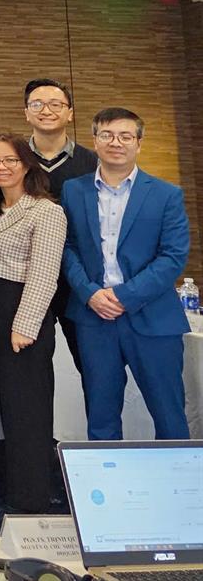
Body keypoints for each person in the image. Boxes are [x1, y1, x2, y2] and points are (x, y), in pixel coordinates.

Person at [61, 108, 191, 440]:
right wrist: (90, 293)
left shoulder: (166, 194)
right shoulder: (73, 191)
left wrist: (123, 296)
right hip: (94, 318)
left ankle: (176, 474)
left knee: (169, 415)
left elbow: (173, 256)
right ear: (95, 141)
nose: (115, 143)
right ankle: (107, 475)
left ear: (138, 143)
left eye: (125, 136)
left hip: (153, 318)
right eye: (107, 135)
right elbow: (67, 247)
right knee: (101, 417)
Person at [0, 134, 67, 512]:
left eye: (10, 160)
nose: (1, 167)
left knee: (27, 405)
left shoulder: (46, 211)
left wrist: (25, 325)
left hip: (22, 311)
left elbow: (45, 275)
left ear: (27, 164)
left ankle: (29, 494)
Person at [23, 78, 98, 372]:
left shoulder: (93, 163)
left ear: (70, 113)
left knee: (91, 366)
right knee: (30, 370)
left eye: (56, 104)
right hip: (27, 278)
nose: (46, 111)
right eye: (37, 104)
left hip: (79, 279)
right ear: (26, 113)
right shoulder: (13, 160)